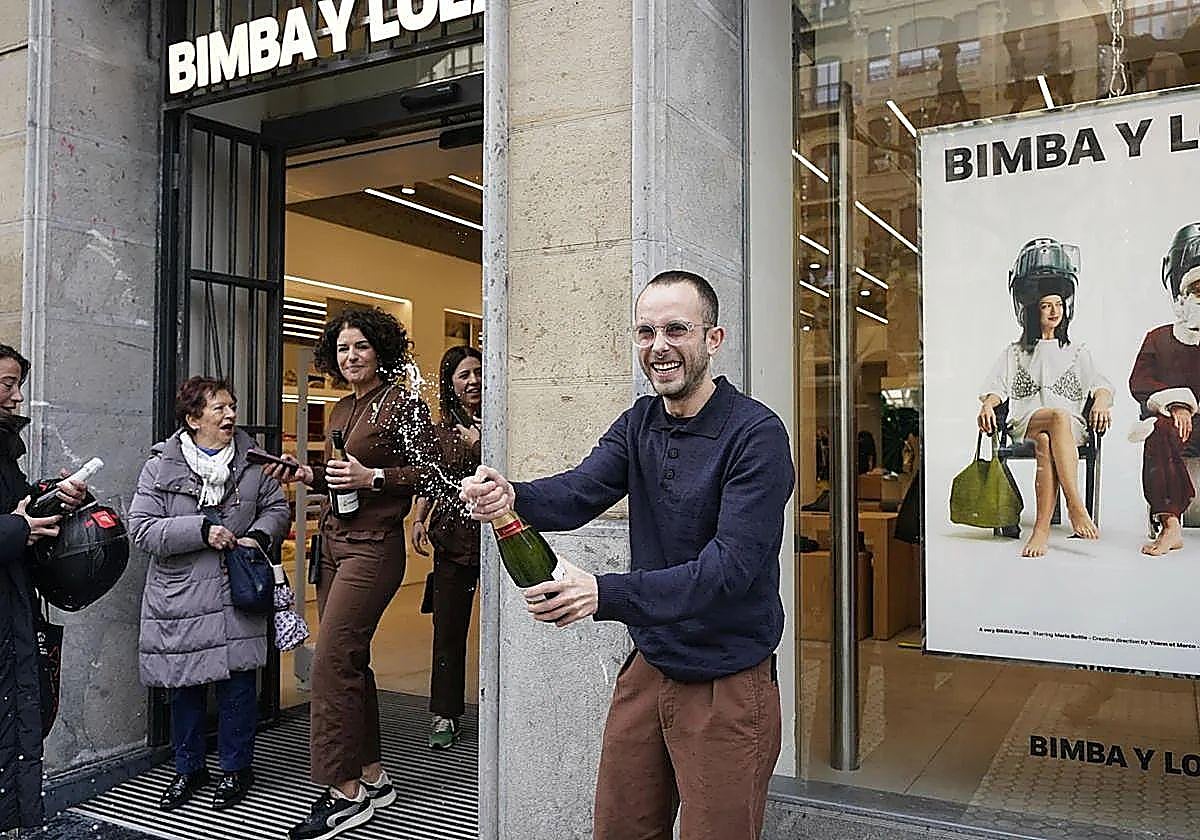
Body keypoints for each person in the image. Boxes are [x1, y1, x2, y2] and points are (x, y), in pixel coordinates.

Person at [461, 270, 794, 840]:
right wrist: (512, 494)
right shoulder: (640, 421)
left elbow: (728, 571)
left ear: (713, 339)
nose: (658, 346)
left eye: (676, 330)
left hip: (728, 678)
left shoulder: (756, 435)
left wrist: (603, 593)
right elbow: (579, 491)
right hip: (651, 664)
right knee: (620, 828)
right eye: (646, 332)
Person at [264, 307, 435, 840]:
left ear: (380, 350)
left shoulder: (403, 403)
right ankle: (373, 775)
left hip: (373, 548)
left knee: (330, 661)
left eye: (361, 346)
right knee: (351, 662)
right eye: (342, 348)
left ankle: (344, 793)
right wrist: (307, 473)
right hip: (333, 543)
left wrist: (374, 476)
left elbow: (432, 473)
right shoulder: (341, 407)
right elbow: (341, 476)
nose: (351, 356)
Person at [130, 376, 290, 812]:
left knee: (240, 687)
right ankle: (189, 768)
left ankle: (237, 769)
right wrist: (201, 531)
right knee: (186, 688)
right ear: (193, 418)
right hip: (180, 597)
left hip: (238, 589)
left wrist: (259, 536)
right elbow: (142, 529)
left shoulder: (254, 461)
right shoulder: (161, 466)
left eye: (231, 406)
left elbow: (277, 508)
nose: (230, 415)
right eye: (219, 408)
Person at [978, 238, 1112, 557]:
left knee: (1047, 440)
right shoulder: (1015, 352)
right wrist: (987, 404)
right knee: (1055, 417)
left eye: (1059, 305)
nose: (1054, 311)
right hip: (1027, 420)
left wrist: (1102, 401)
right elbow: (996, 388)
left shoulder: (1076, 351)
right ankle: (1076, 506)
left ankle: (1040, 530)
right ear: (1032, 311)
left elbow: (1100, 384)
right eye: (1046, 306)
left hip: (1068, 430)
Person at [0, 343, 87, 832]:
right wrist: (17, 528)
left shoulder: (5, 451)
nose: (17, 397)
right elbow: (11, 522)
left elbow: (15, 508)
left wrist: (52, 497)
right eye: (7, 384)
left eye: (18, 385)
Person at [411, 345, 482, 749]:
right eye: (463, 375)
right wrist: (419, 519)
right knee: (448, 630)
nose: (473, 381)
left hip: (499, 536)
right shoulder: (439, 431)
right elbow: (430, 480)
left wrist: (478, 445)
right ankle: (445, 713)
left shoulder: (501, 419)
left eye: (478, 372)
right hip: (453, 539)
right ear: (450, 384)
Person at [1130, 223, 1200, 555]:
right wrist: (1177, 403)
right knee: (1158, 429)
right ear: (1182, 295)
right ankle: (1170, 525)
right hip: (1177, 427)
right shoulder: (1158, 339)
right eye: (1199, 289)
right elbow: (1140, 383)